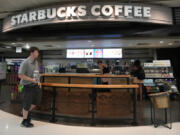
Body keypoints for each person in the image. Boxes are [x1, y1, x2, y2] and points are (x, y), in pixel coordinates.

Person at [18, 47, 42, 128]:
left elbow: (36, 73)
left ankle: (24, 112)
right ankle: (24, 121)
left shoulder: (36, 62)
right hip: (26, 86)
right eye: (37, 52)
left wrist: (38, 81)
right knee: (27, 103)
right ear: (32, 53)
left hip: (35, 86)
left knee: (36, 102)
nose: (38, 54)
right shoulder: (25, 62)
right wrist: (32, 80)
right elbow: (20, 75)